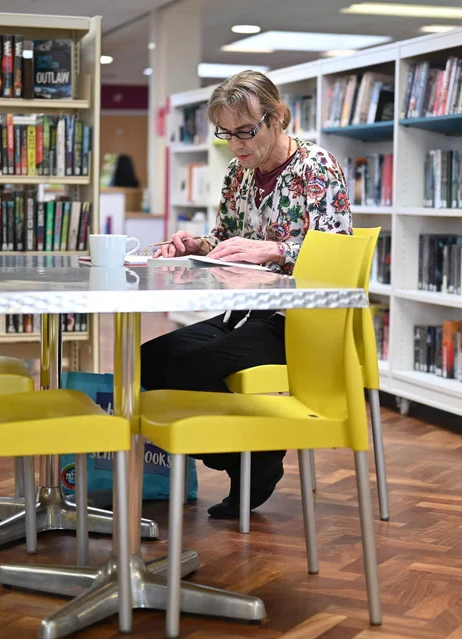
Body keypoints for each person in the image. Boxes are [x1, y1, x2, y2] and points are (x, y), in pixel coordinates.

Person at [141, 69, 352, 520]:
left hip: (301, 323)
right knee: (150, 360)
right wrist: (197, 245)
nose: (236, 145)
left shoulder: (316, 167)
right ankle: (251, 455)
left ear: (279, 118)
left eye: (245, 131)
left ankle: (253, 460)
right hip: (247, 313)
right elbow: (226, 243)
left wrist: (273, 249)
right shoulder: (239, 175)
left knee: (189, 365)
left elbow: (336, 258)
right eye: (226, 133)